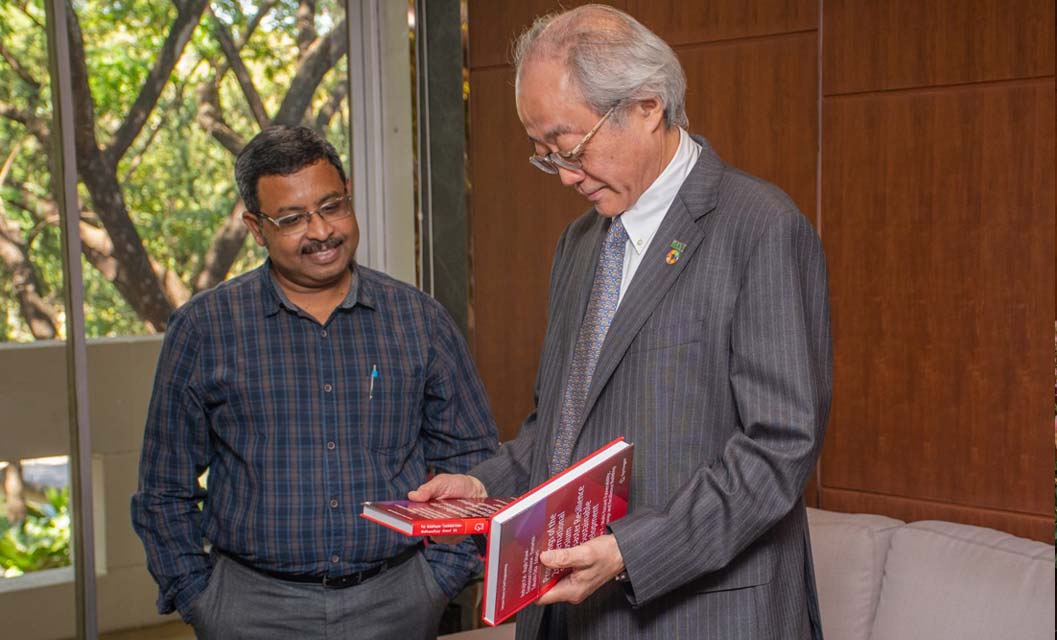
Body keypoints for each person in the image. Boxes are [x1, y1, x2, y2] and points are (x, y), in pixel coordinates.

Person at [411, 5, 832, 639]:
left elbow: (780, 449)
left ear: (646, 105)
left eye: (571, 147)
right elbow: (561, 425)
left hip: (702, 616)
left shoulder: (760, 228)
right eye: (545, 155)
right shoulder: (579, 244)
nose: (565, 176)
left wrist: (631, 552)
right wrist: (479, 484)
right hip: (570, 613)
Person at [131, 125, 498, 639]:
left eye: (332, 206)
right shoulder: (205, 328)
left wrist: (438, 577)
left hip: (399, 600)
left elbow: (473, 458)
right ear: (256, 228)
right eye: (292, 219)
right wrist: (200, 596)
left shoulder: (419, 320)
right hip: (250, 610)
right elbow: (163, 489)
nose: (321, 231)